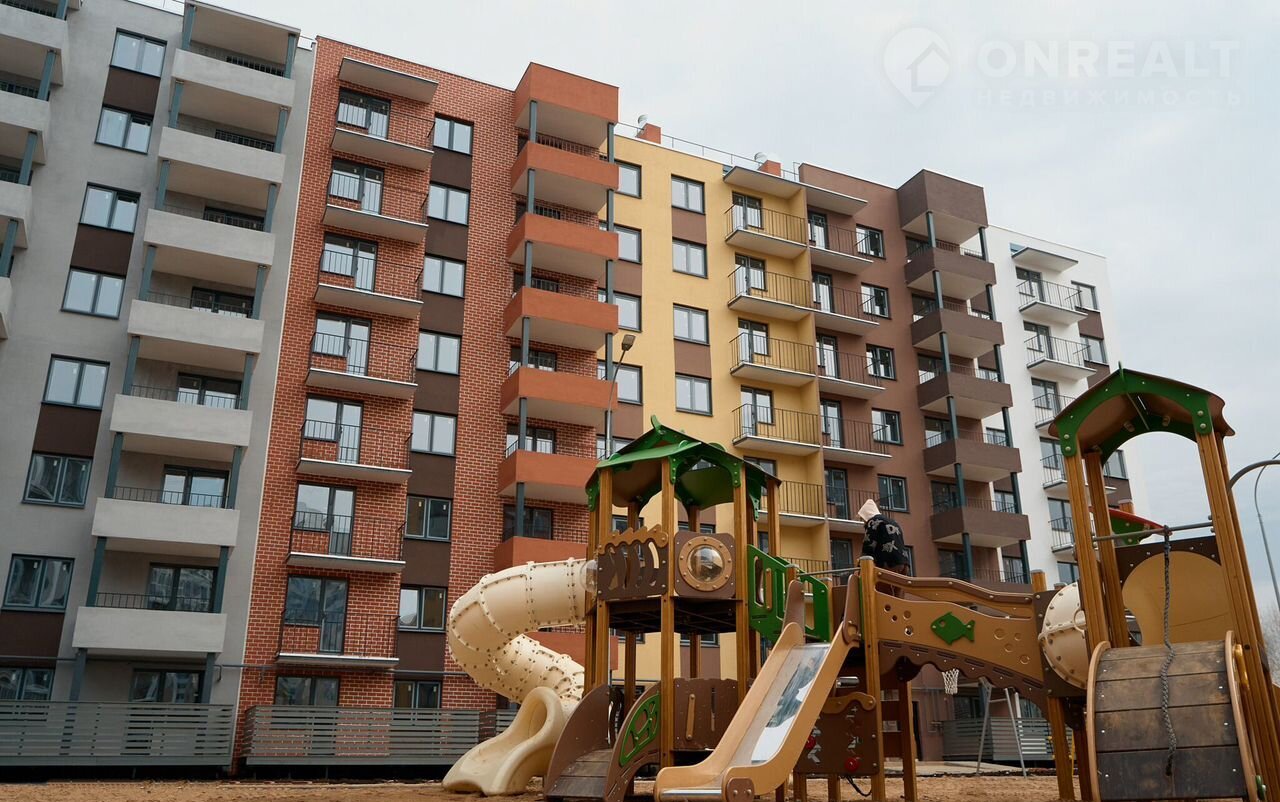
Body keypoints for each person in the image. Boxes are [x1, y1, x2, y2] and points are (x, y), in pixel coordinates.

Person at [857, 499, 910, 574]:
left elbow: (868, 545)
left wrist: (860, 566)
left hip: (888, 563)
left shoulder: (873, 522)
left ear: (866, 515)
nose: (863, 523)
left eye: (863, 519)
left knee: (874, 579)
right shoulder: (893, 522)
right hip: (903, 563)